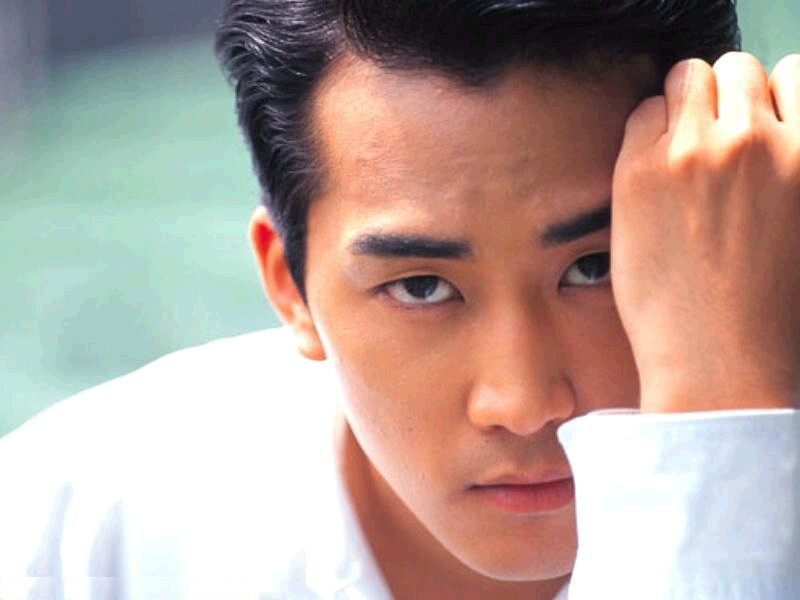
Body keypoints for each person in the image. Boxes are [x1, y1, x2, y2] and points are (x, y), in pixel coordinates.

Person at [1, 0, 799, 598]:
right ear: (289, 286)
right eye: (422, 287)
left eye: (594, 267)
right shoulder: (69, 533)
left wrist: (721, 417)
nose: (524, 403)